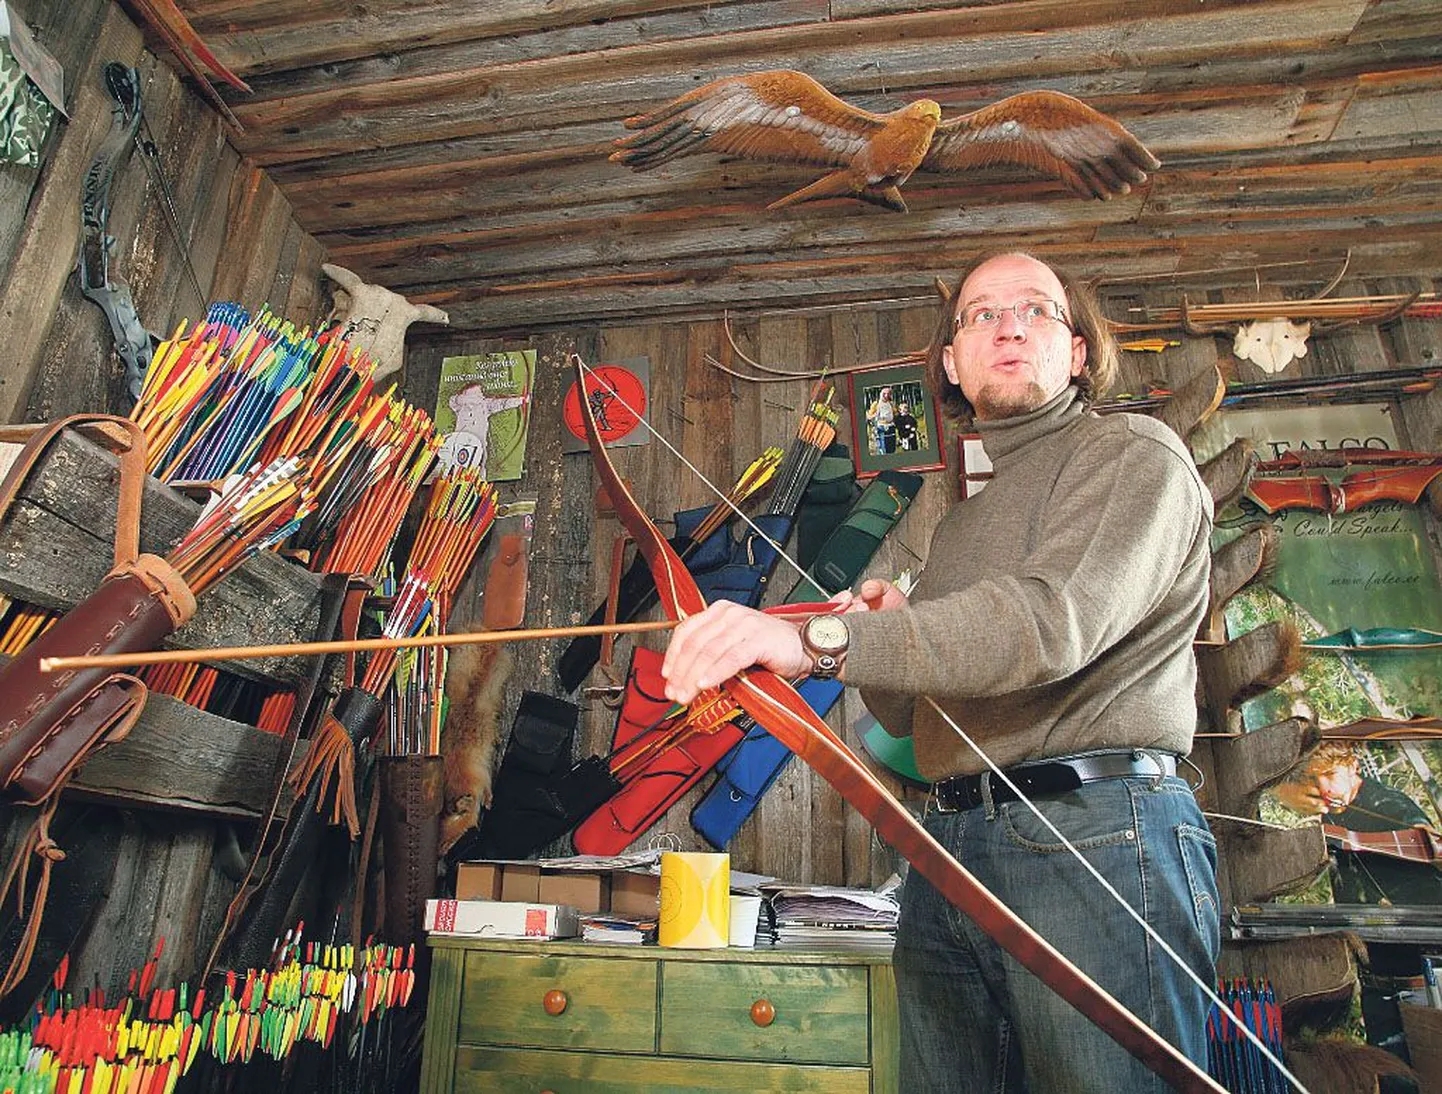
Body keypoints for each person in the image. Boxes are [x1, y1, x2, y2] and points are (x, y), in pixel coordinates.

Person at [661, 252, 1218, 1092]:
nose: (1010, 324)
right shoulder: (963, 526)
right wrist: (880, 636)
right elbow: (915, 717)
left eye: (1037, 309)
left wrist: (822, 642)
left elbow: (1046, 625)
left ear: (1076, 351)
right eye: (981, 314)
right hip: (952, 839)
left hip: (1098, 833)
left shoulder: (1132, 454)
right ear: (952, 364)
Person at [1275, 742, 1442, 905]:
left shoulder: (1383, 802)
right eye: (1312, 779)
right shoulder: (1333, 811)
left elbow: (1426, 838)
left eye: (1330, 774)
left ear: (1353, 766)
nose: (1324, 789)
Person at [868, 385, 898, 454]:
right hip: (881, 428)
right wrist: (875, 415)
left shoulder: (891, 403)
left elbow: (896, 414)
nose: (886, 395)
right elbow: (869, 417)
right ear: (880, 394)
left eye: (888, 394)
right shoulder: (876, 404)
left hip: (891, 427)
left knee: (892, 448)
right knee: (883, 448)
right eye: (884, 393)